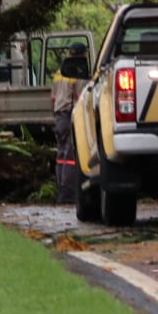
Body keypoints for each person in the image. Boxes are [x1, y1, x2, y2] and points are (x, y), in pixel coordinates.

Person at [51, 43, 90, 204]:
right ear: (82, 55)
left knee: (60, 155)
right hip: (69, 116)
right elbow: (82, 97)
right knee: (70, 156)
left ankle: (61, 191)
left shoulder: (59, 73)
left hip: (59, 116)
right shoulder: (77, 72)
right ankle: (68, 195)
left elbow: (53, 98)